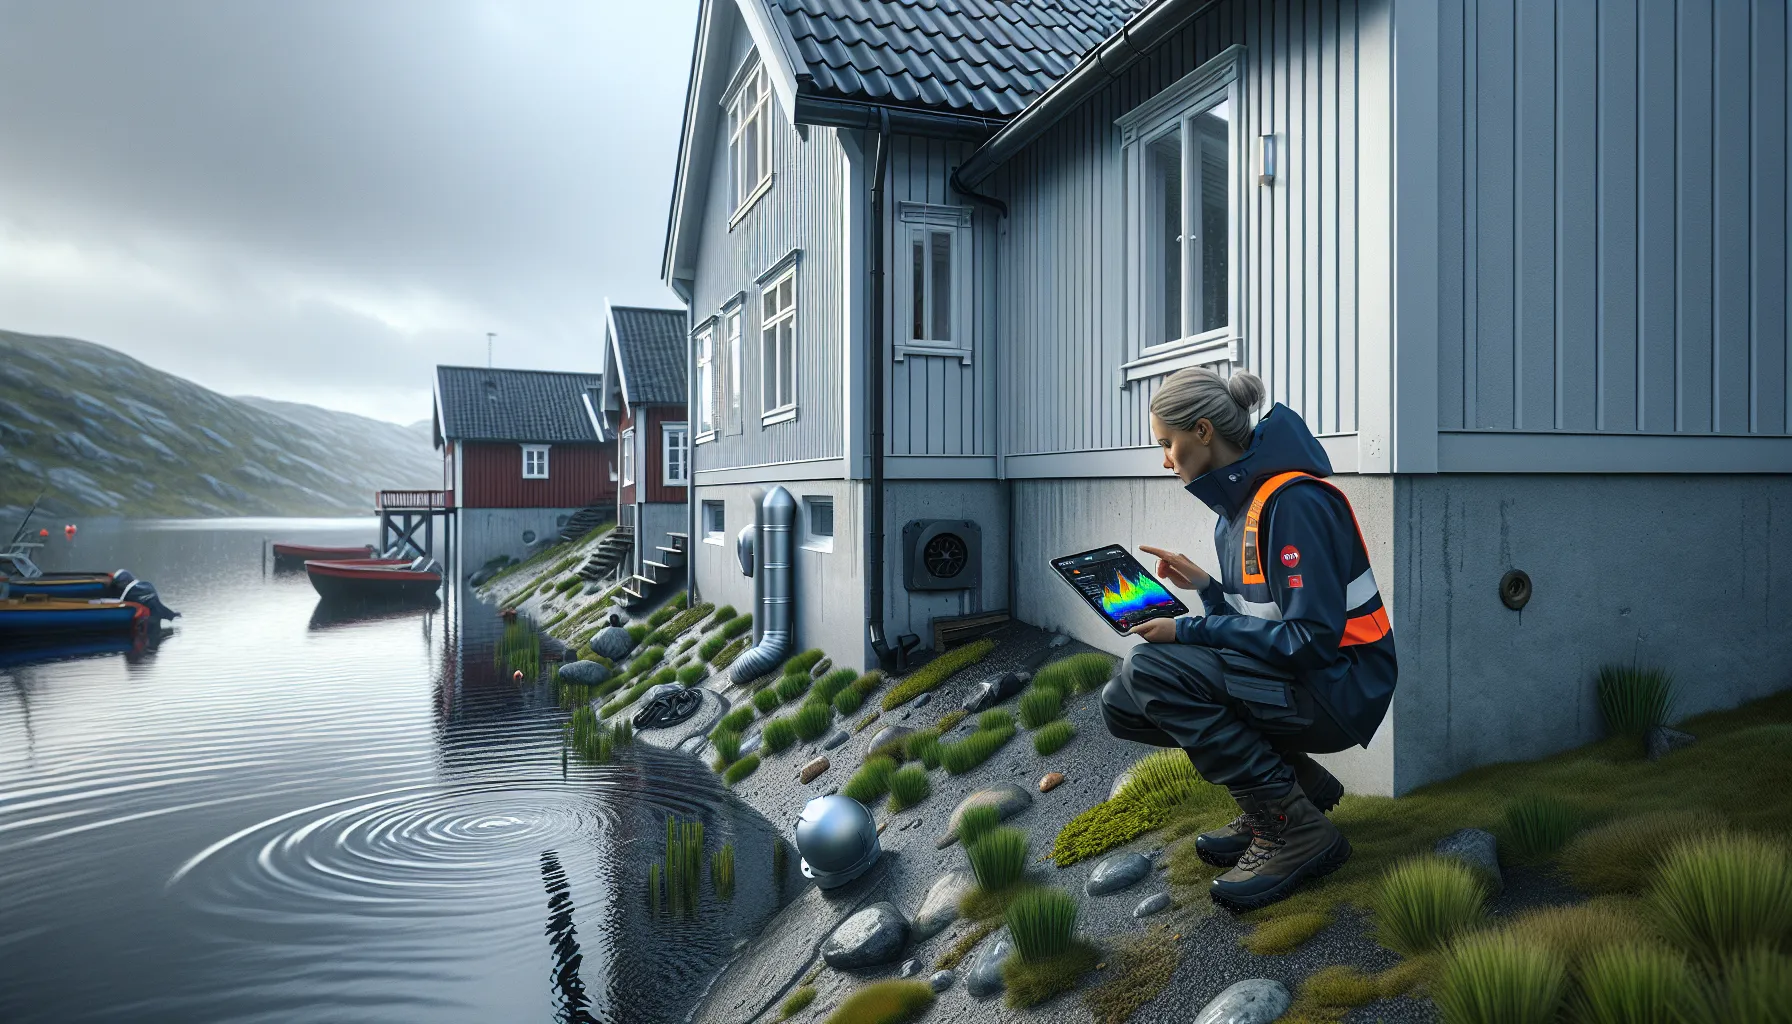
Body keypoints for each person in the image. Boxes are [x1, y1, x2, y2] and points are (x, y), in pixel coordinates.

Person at [1099, 367, 1397, 912]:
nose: (1165, 459)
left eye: (1168, 443)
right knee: (1122, 701)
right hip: (1302, 680)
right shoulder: (1234, 516)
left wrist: (1188, 626)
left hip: (1341, 689)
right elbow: (1255, 630)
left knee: (1149, 670)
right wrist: (1208, 590)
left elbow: (1309, 640)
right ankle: (1292, 787)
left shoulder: (1295, 502)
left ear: (1204, 431)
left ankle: (1294, 828)